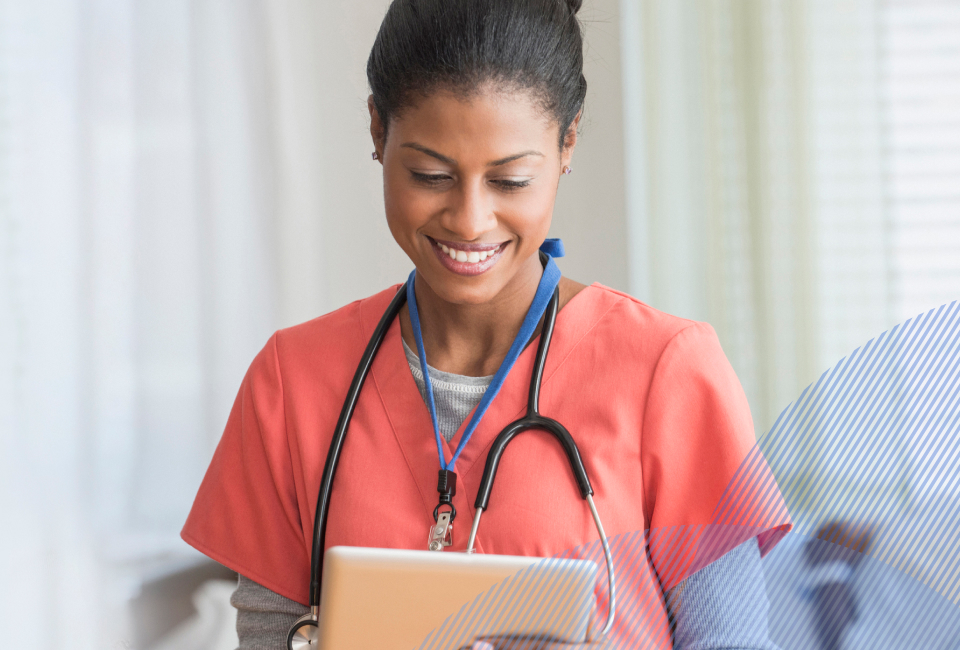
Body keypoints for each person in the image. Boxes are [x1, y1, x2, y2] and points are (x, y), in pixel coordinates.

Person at [181, 0, 792, 648]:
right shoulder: (292, 384)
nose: (471, 220)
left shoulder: (667, 372)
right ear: (376, 131)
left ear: (567, 144)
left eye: (510, 180)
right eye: (431, 174)